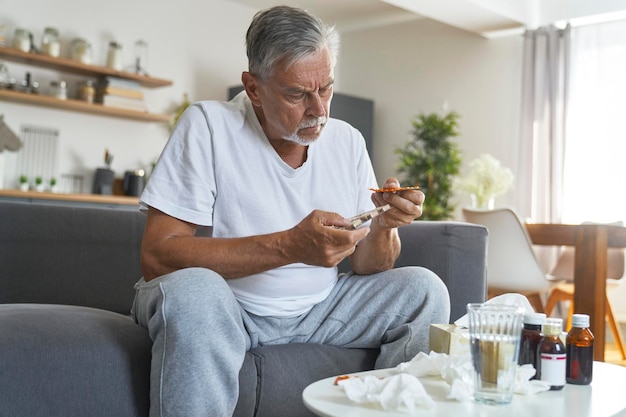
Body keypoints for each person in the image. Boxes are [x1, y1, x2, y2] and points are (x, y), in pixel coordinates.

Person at [132, 5, 450, 417]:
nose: (319, 110)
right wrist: (289, 247)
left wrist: (384, 227)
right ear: (254, 88)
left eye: (327, 88)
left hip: (320, 308)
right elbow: (158, 256)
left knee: (424, 290)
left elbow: (372, 266)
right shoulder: (208, 126)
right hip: (231, 307)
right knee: (193, 293)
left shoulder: (347, 141)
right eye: (297, 94)